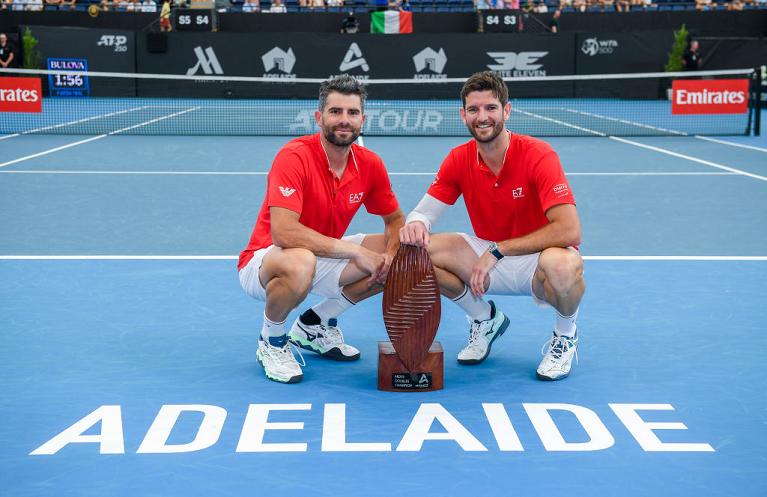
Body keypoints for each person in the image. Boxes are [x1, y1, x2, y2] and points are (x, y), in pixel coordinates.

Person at [399, 71, 585, 381]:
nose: (482, 117)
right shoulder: (459, 159)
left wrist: (498, 251)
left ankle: (565, 335)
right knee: (416, 253)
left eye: (490, 108)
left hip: (536, 261)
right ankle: (484, 319)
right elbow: (423, 213)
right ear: (463, 115)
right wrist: (415, 224)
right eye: (474, 110)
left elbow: (570, 231)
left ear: (507, 110)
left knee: (564, 264)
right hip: (483, 261)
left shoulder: (539, 155)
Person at [238, 75, 404, 384]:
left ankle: (315, 324)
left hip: (324, 254)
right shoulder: (294, 156)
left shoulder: (370, 165)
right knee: (301, 261)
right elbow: (284, 234)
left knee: (405, 255)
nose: (344, 120)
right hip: (268, 261)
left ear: (362, 119)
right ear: (319, 117)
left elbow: (395, 220)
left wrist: (392, 257)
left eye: (352, 113)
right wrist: (357, 252)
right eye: (336, 111)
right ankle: (271, 341)